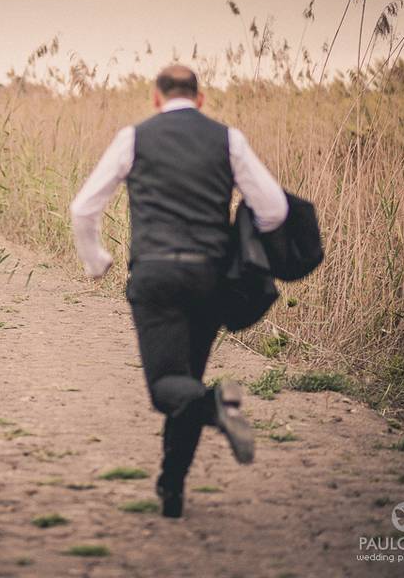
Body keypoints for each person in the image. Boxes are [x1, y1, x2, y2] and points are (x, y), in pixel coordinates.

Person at [69, 65, 288, 518]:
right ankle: (172, 488)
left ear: (155, 98)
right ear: (201, 99)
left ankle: (214, 405)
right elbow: (273, 209)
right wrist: (241, 236)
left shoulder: (134, 137)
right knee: (185, 376)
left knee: (169, 386)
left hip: (156, 279)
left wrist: (96, 261)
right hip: (210, 281)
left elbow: (84, 207)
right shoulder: (229, 139)